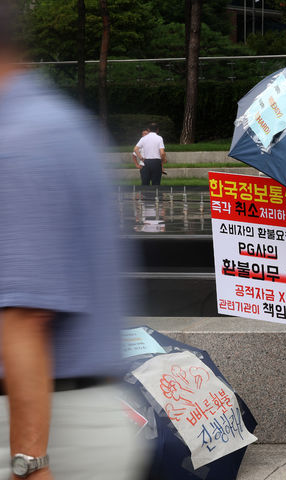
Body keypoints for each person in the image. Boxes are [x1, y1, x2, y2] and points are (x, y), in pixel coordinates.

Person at [0, 3, 146, 479]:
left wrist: (29, 464)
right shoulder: (53, 124)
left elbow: (24, 318)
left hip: (45, 430)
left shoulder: (20, 140)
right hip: (70, 413)